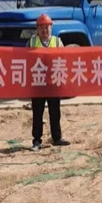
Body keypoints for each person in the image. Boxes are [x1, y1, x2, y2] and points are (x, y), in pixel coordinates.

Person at [28, 14, 70, 151]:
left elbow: (65, 60)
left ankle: (57, 138)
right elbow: (24, 60)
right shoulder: (32, 42)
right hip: (38, 84)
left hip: (53, 84)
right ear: (37, 29)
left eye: (47, 27)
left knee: (55, 111)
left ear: (51, 28)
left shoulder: (58, 42)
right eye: (41, 27)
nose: (44, 30)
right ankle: (36, 140)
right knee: (37, 113)